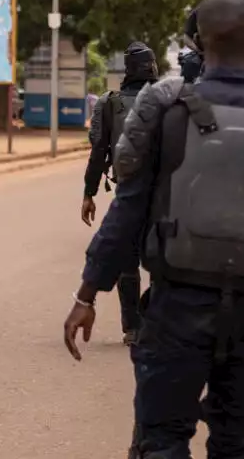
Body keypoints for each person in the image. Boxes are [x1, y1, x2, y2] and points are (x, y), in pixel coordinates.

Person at [63, 0, 244, 457]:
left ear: (197, 42)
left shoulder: (164, 107)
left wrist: (87, 295)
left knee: (162, 439)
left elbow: (127, 210)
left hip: (176, 307)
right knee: (237, 440)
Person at [81, 42, 158, 347]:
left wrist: (88, 194)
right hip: (167, 195)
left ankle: (133, 327)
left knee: (128, 262)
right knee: (165, 261)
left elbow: (98, 153)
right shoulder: (173, 100)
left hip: (127, 193)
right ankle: (153, 320)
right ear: (153, 67)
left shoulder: (108, 103)